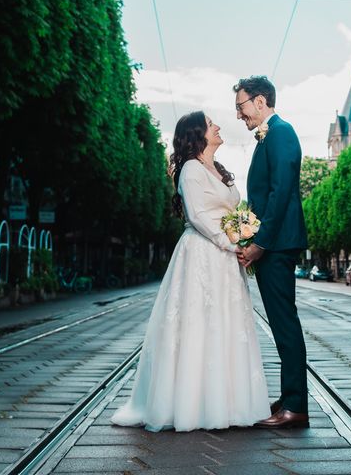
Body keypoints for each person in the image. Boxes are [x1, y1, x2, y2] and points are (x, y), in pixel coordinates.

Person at [111, 111, 269, 432]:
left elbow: (227, 211)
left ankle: (227, 403)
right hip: (202, 254)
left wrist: (240, 233)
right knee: (200, 323)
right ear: (198, 134)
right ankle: (191, 406)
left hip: (224, 258)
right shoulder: (190, 169)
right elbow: (198, 215)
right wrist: (233, 242)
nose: (219, 126)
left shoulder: (219, 170)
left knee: (226, 323)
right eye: (212, 125)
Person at [234, 76, 309, 429]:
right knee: (282, 323)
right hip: (275, 241)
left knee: (284, 323)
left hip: (277, 244)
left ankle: (295, 406)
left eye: (241, 106)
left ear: (260, 101)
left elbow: (280, 194)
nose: (239, 114)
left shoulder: (281, 133)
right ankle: (288, 398)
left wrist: (259, 243)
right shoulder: (270, 135)